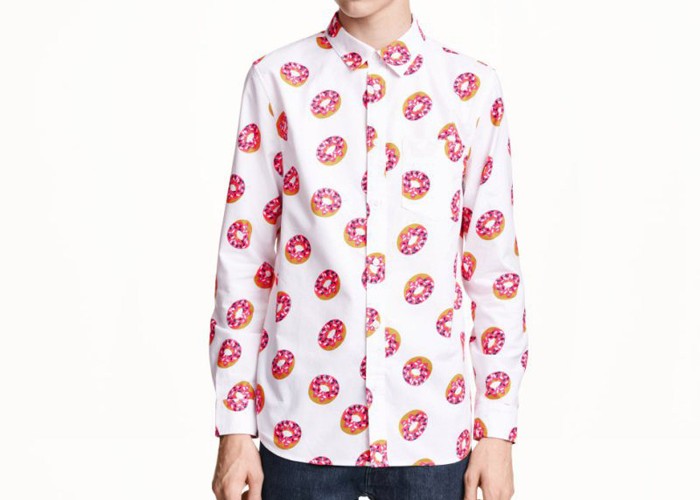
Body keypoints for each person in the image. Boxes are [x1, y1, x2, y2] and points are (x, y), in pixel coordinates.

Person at [208, 1, 529, 499]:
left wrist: (497, 431)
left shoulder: (470, 88)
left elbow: (494, 273)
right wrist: (234, 425)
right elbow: (245, 260)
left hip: (430, 440)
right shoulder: (276, 80)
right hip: (299, 434)